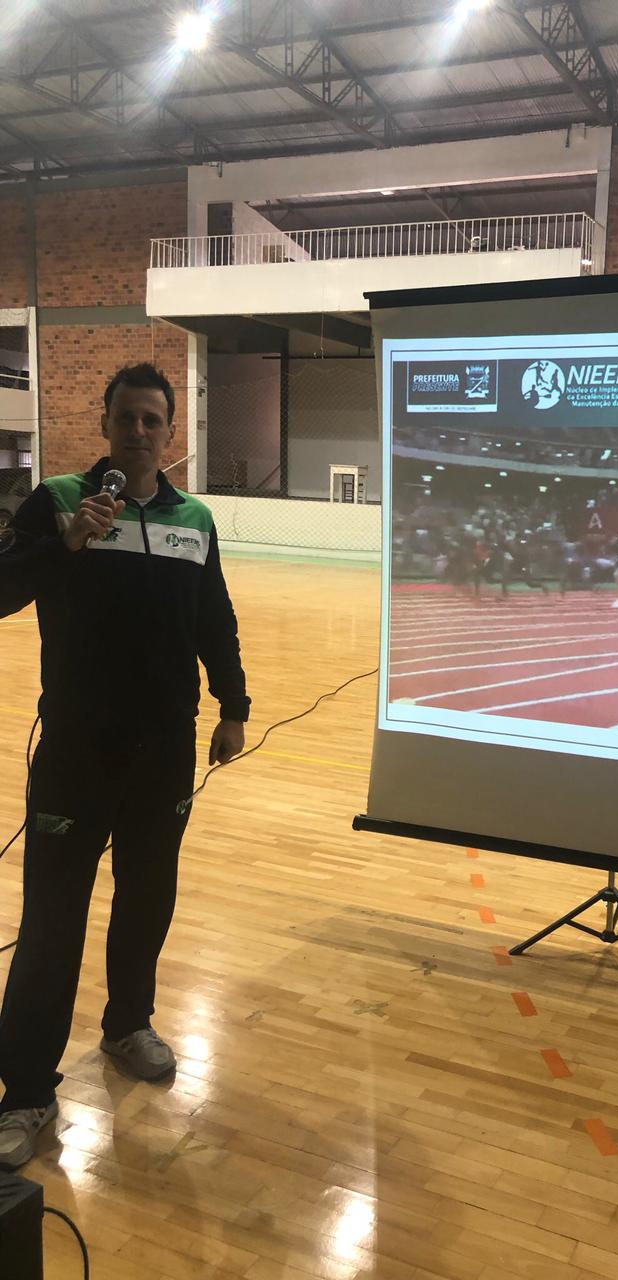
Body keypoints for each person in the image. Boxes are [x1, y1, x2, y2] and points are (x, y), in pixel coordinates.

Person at [0, 363, 250, 1170]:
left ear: (169, 432)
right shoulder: (58, 502)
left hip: (164, 752)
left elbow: (213, 617)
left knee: (147, 898)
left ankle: (127, 1025)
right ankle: (26, 1090)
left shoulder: (194, 519)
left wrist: (234, 703)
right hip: (76, 751)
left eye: (152, 420)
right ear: (103, 422)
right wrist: (65, 546)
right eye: (125, 418)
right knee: (51, 922)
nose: (137, 431)